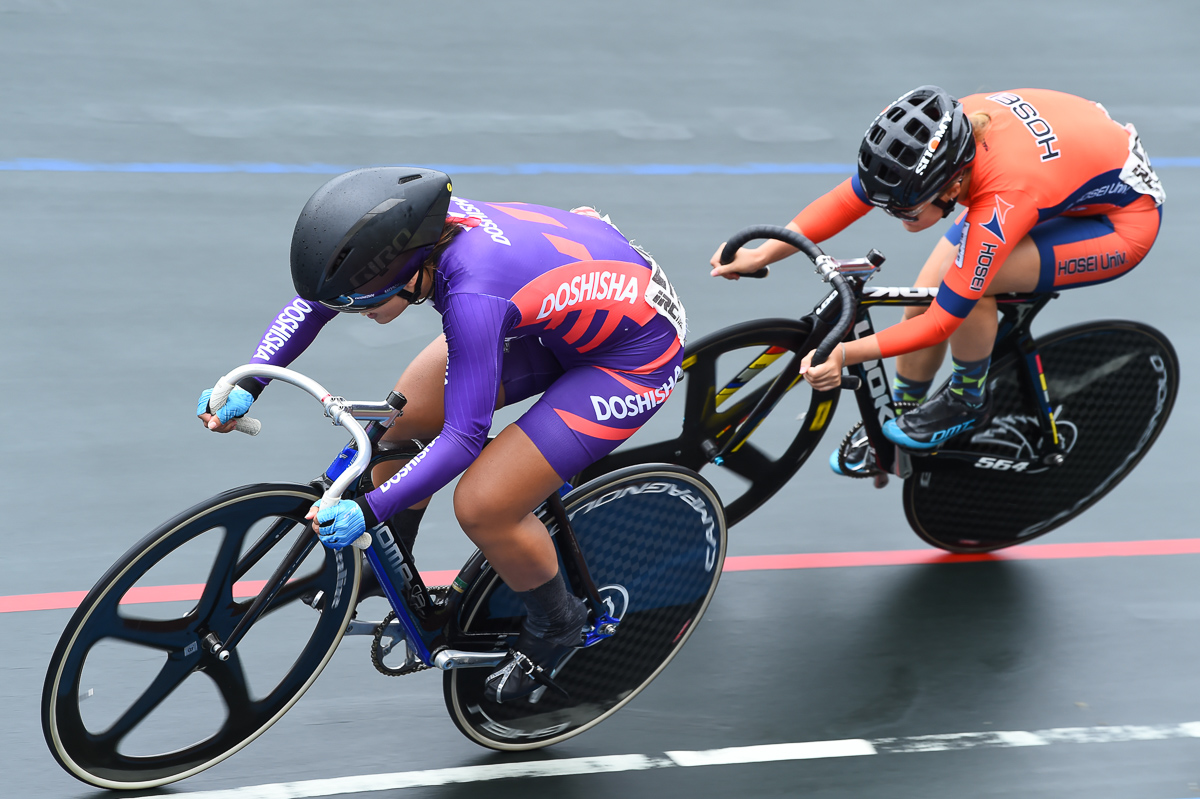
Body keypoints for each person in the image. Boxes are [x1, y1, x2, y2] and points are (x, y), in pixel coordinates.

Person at [197, 167, 687, 701]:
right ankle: (389, 557)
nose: (351, 312)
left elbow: (464, 437)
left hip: (630, 357)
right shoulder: (414, 239)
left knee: (483, 504)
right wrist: (254, 378)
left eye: (359, 302)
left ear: (409, 276)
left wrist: (370, 509)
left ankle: (558, 624)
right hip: (558, 311)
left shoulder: (474, 293)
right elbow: (316, 301)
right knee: (401, 418)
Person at [711, 85, 1165, 474]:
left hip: (1118, 224)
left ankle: (968, 400)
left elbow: (942, 323)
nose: (895, 216)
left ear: (951, 188)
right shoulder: (938, 142)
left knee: (970, 286)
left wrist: (842, 353)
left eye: (904, 209)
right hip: (1054, 173)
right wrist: (764, 253)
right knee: (925, 290)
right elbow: (850, 198)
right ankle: (906, 413)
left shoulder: (1001, 199)